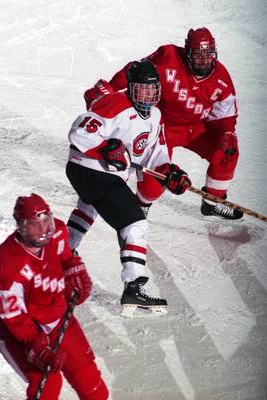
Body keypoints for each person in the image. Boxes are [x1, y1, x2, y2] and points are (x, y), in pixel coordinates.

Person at [66, 59, 191, 317]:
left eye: (153, 89)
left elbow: (154, 155)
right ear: (132, 88)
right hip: (89, 167)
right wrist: (104, 149)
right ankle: (133, 286)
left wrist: (170, 173)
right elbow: (78, 133)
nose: (148, 95)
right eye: (143, 89)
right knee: (135, 224)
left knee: (90, 206)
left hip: (100, 174)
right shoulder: (114, 103)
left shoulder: (156, 116)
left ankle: (63, 251)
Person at [84, 27, 243, 220]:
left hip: (196, 129)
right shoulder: (168, 56)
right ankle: (141, 205)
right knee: (155, 180)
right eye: (198, 55)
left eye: (208, 55)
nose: (204, 61)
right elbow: (135, 70)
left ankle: (211, 203)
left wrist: (226, 133)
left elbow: (224, 117)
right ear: (187, 52)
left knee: (229, 150)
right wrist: (111, 87)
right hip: (162, 126)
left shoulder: (222, 79)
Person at [0, 193, 108, 400]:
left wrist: (76, 272)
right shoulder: (6, 262)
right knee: (47, 383)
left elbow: (66, 258)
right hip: (18, 332)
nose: (44, 229)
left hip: (56, 317)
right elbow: (13, 317)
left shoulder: (57, 232)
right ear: (21, 226)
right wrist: (36, 346)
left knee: (91, 384)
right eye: (35, 224)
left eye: (46, 220)